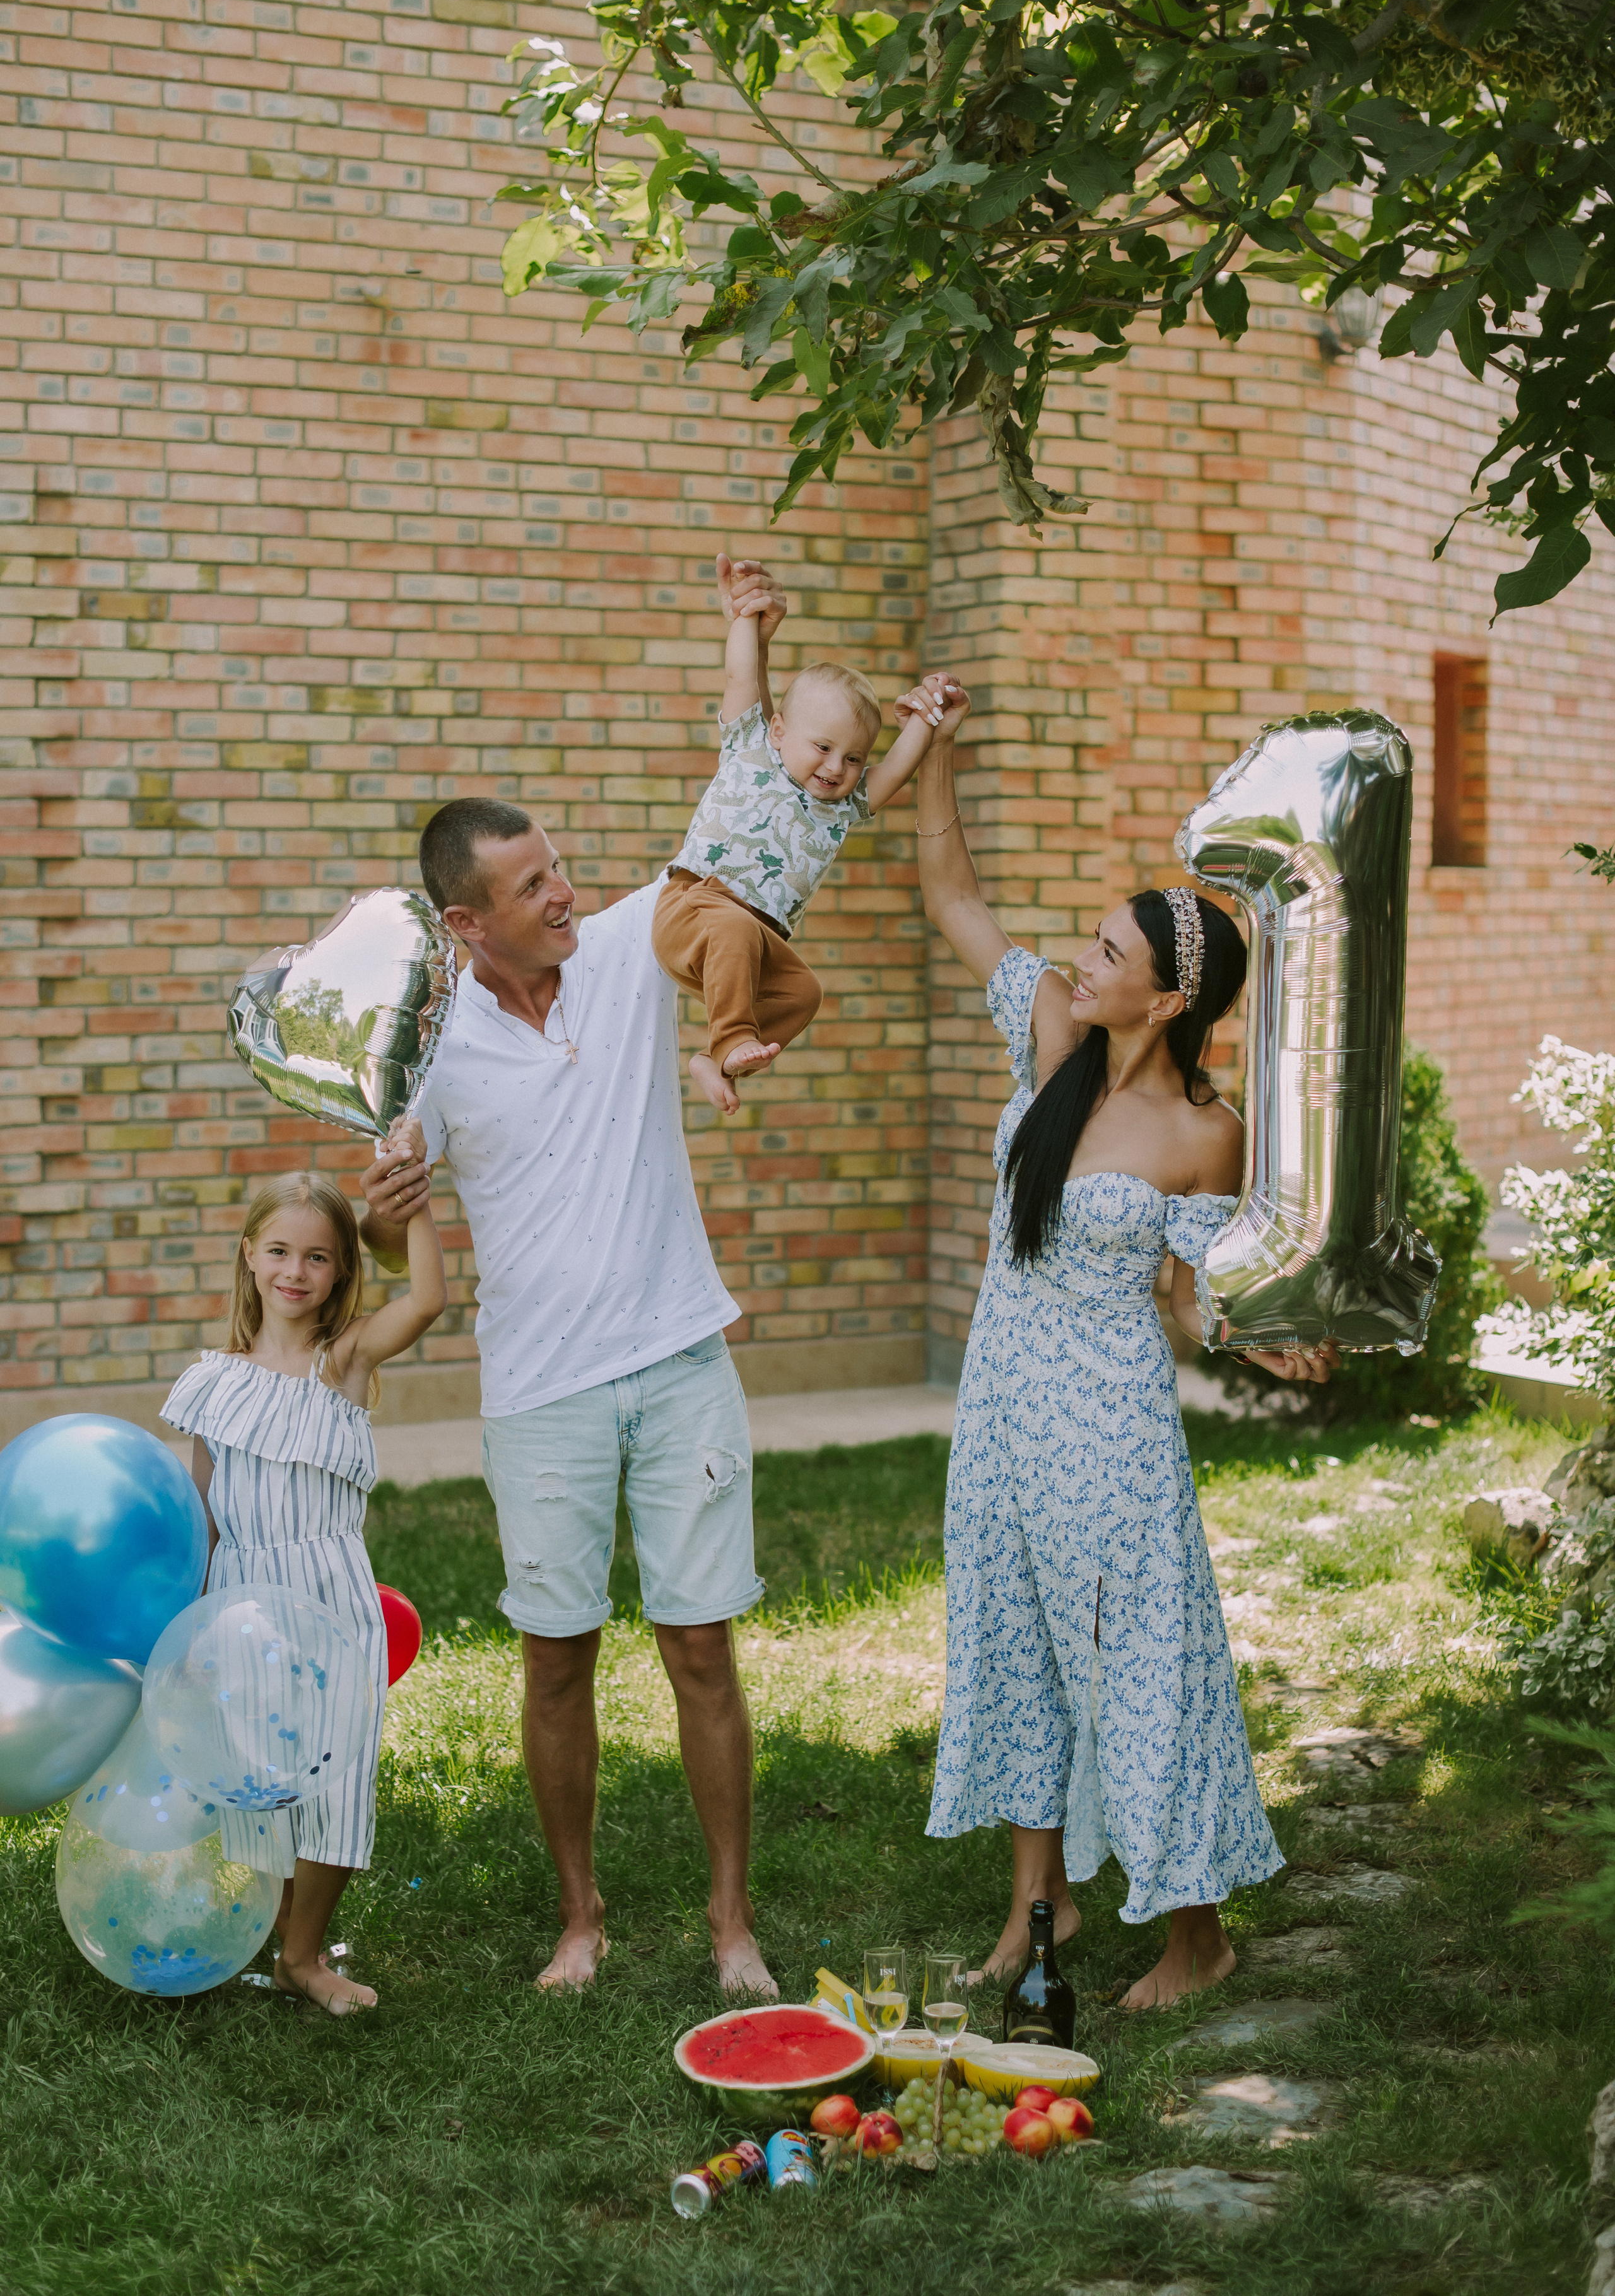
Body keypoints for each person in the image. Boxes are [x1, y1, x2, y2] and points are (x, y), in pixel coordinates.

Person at [905, 671, 1335, 2010]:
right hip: (1002, 1405)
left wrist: (1268, 1343)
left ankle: (1195, 1933)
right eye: (1088, 944)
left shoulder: (1203, 1134)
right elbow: (951, 897)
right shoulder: (1049, 1037)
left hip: (1109, 1428)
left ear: (1163, 1004)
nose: (1077, 963)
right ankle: (1039, 1908)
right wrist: (931, 755)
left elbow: (1195, 1292)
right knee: (1015, 1646)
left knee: (1137, 1662)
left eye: (1106, 957)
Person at [358, 676, 785, 1994]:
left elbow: (745, 813)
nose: (562, 892)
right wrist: (382, 1218)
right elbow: (396, 1241)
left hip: (678, 1360)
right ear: (464, 921)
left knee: (701, 1645)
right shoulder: (420, 1053)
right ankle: (580, 1916)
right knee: (556, 1657)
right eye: (531, 883)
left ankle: (730, 1926)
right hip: (539, 1388)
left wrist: (747, 654)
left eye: (557, 868)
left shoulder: (623, 948)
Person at [161, 1157, 446, 2013]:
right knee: (260, 1773)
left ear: (340, 1273)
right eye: (279, 1250)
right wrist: (195, 1625)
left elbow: (427, 1299)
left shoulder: (344, 1361)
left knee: (333, 1775)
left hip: (329, 1597)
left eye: (318, 1257)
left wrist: (417, 1208)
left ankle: (305, 1951)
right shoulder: (213, 1381)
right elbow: (209, 1514)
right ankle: (273, 1926)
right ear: (250, 1255)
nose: (295, 1271)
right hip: (244, 1599)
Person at [652, 551, 943, 1114]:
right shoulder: (752, 750)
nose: (837, 768)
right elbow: (742, 674)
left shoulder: (840, 807)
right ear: (781, 730)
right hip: (694, 907)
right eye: (824, 748)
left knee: (804, 992)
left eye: (854, 759)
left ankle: (716, 1064)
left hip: (757, 942)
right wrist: (744, 618)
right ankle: (732, 1037)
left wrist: (926, 720)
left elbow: (896, 772)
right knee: (733, 929)